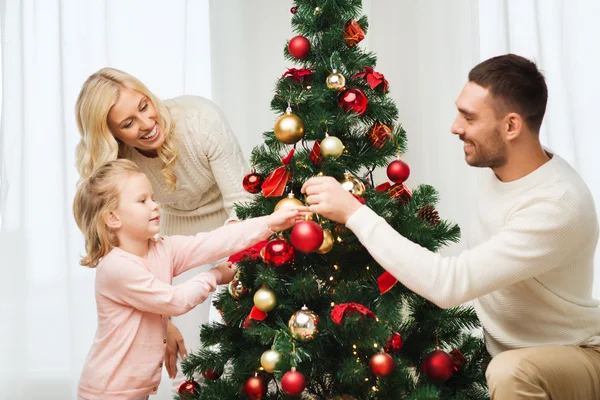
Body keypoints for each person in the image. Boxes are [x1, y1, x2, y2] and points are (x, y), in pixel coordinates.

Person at [301, 54, 600, 399]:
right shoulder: (506, 168)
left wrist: (354, 213)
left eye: (469, 117)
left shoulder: (556, 205)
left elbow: (449, 285)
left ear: (511, 126)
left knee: (510, 371)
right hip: (514, 351)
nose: (455, 127)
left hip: (577, 354)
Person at [74, 67, 254, 393]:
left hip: (233, 221)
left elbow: (242, 202)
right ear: (112, 135)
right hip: (171, 233)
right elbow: (129, 251)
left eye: (144, 106)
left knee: (248, 332)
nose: (145, 124)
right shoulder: (117, 160)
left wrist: (236, 259)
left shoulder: (201, 121)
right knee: (184, 356)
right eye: (128, 123)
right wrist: (164, 322)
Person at [73, 159, 305, 400]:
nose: (155, 206)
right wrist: (215, 275)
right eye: (142, 201)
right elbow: (174, 301)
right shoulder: (116, 267)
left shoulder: (163, 249)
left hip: (133, 391)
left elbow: (211, 242)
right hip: (107, 391)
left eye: (153, 198)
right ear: (113, 218)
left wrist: (269, 223)